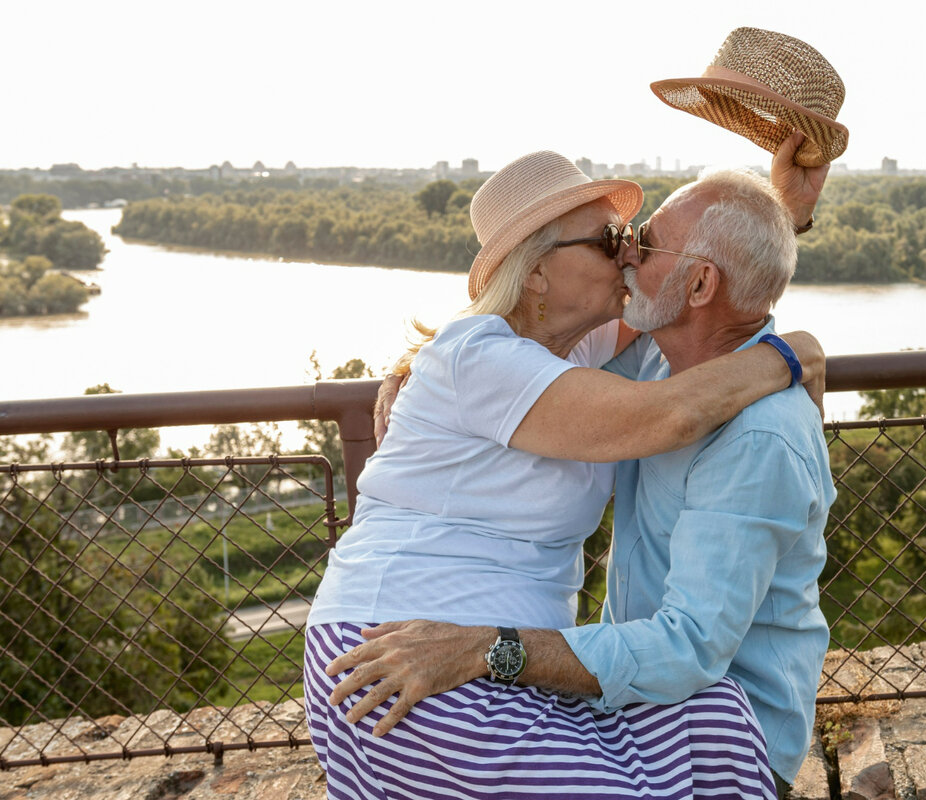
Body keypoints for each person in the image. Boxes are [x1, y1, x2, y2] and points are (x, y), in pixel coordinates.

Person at [304, 147, 827, 798]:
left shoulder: (590, 350)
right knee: (701, 749)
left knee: (717, 730)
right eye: (611, 240)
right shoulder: (495, 360)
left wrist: (786, 217)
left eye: (634, 239)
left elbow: (716, 285)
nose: (629, 253)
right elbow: (683, 390)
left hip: (493, 659)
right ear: (540, 273)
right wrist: (792, 352)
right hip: (404, 647)